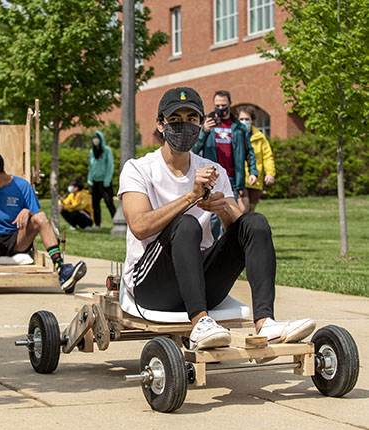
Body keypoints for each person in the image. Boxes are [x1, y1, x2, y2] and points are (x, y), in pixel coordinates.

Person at [118, 86, 315, 351]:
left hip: (202, 281)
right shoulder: (138, 169)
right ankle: (200, 322)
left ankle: (266, 323)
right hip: (152, 286)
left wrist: (221, 207)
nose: (184, 127)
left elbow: (242, 232)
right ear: (161, 124)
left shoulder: (213, 171)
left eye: (192, 120)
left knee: (255, 222)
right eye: (175, 120)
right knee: (186, 224)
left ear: (201, 124)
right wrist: (191, 197)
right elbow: (140, 227)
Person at [0, 150, 87, 293]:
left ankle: (62, 270)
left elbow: (39, 220)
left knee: (40, 216)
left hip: (17, 241)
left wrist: (27, 211)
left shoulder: (22, 186)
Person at [192, 90, 258, 238]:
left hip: (233, 178)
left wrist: (253, 171)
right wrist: (204, 132)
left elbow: (249, 152)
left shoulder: (239, 127)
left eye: (223, 105)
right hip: (214, 177)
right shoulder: (207, 125)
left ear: (230, 105)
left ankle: (231, 247)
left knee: (230, 213)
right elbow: (194, 150)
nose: (220, 108)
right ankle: (213, 247)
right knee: (213, 215)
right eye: (217, 105)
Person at [237, 106, 276, 213]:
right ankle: (237, 229)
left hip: (255, 180)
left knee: (250, 210)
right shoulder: (235, 136)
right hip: (240, 179)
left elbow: (267, 156)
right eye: (241, 119)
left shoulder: (260, 137)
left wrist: (270, 173)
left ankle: (247, 229)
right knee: (243, 209)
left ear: (252, 121)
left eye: (247, 119)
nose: (244, 122)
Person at [87, 130, 116, 230]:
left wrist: (107, 181)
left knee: (109, 203)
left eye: (97, 137)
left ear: (101, 139)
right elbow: (90, 166)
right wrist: (89, 179)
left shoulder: (107, 150)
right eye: (94, 137)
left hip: (105, 183)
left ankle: (116, 222)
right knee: (95, 204)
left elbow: (110, 166)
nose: (95, 140)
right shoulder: (92, 151)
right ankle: (98, 224)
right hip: (95, 182)